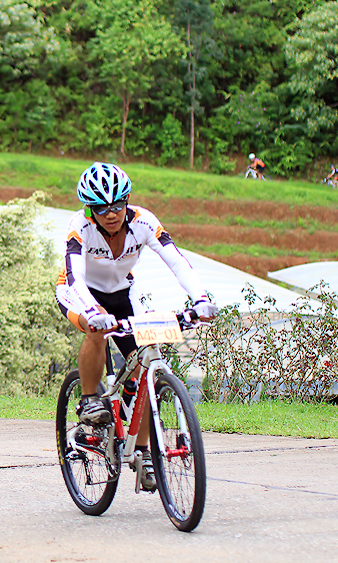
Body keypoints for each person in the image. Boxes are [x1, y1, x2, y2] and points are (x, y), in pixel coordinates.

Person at [54, 163, 218, 491]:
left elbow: (175, 260)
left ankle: (142, 452)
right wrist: (92, 310)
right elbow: (75, 275)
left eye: (117, 205)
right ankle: (89, 398)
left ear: (127, 201)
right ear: (89, 208)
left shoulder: (144, 221)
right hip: (79, 293)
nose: (111, 214)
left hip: (122, 294)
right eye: (101, 208)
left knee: (146, 368)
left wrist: (201, 299)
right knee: (97, 328)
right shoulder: (79, 227)